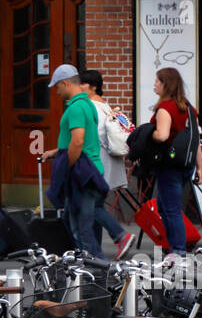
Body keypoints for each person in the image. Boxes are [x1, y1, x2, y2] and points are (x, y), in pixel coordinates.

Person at [42, 64, 107, 259]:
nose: (57, 91)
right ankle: (90, 263)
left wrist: (68, 167)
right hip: (89, 169)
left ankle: (100, 267)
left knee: (82, 227)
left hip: (81, 172)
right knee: (76, 222)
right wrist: (57, 152)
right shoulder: (87, 104)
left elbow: (78, 140)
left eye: (57, 87)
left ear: (65, 83)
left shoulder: (77, 107)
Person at [79, 69, 134, 259]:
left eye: (82, 83)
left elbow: (84, 138)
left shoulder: (89, 107)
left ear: (93, 87)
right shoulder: (105, 106)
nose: (79, 87)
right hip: (109, 165)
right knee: (96, 206)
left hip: (96, 165)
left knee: (91, 207)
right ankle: (94, 252)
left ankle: (121, 235)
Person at [150, 67, 200, 262]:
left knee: (171, 209)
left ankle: (178, 251)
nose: (155, 84)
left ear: (165, 84)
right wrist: (199, 165)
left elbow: (162, 135)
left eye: (157, 81)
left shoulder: (165, 109)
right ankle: (174, 247)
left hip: (168, 165)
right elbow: (195, 140)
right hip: (185, 165)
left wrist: (148, 134)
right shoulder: (189, 108)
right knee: (165, 207)